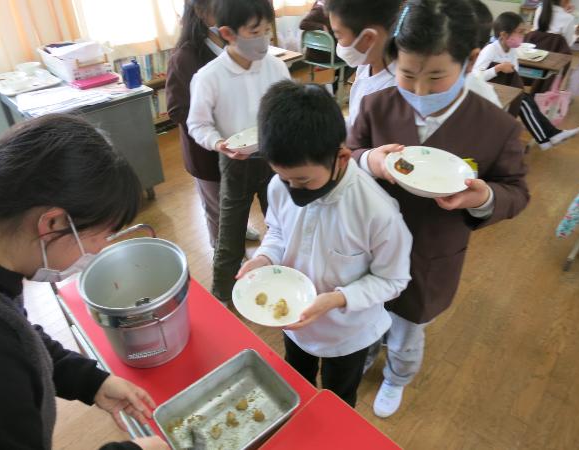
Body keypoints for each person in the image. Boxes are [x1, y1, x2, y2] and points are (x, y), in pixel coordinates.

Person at [348, 0, 530, 418]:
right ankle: (365, 352)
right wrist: (368, 160)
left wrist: (483, 198)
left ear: (468, 61)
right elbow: (349, 151)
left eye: (436, 77)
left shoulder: (495, 126)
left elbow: (516, 191)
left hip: (431, 252)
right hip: (368, 246)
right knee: (366, 310)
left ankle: (397, 376)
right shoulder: (378, 106)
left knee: (409, 328)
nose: (420, 91)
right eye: (407, 75)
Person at [0, 115, 168, 450]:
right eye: (103, 234)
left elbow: (22, 337)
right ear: (52, 222)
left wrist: (89, 381)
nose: (100, 249)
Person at [237, 80, 412, 407]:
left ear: (342, 157)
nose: (292, 188)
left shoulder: (377, 212)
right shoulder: (280, 186)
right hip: (294, 323)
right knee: (293, 387)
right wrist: (263, 258)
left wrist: (335, 300)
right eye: (285, 178)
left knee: (337, 399)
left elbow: (394, 280)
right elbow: (277, 231)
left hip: (346, 333)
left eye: (303, 180)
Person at [187, 0, 290, 305]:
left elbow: (287, 108)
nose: (265, 38)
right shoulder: (209, 76)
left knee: (282, 224)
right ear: (228, 33)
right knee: (230, 236)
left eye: (267, 30)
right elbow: (198, 124)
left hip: (274, 158)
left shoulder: (276, 65)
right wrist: (218, 143)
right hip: (235, 162)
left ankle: (281, 281)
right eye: (255, 31)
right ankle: (223, 296)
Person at [166, 0, 260, 248]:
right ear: (200, 11)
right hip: (208, 153)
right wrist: (215, 129)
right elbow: (177, 110)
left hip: (244, 145)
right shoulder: (185, 57)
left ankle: (240, 228)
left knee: (237, 199)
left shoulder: (237, 45)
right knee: (218, 207)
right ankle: (224, 249)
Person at [474, 11, 579, 150]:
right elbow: (477, 76)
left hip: (504, 90)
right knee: (523, 102)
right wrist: (498, 68)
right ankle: (546, 138)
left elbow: (515, 72)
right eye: (519, 32)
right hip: (485, 92)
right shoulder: (490, 50)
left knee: (526, 99)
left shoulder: (512, 50)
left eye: (523, 32)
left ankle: (550, 135)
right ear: (503, 35)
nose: (522, 36)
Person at [327, 0, 402, 127]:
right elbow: (355, 122)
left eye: (339, 37)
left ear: (368, 38)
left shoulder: (395, 88)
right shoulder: (365, 66)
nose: (338, 43)